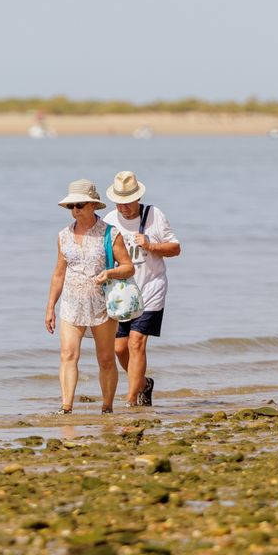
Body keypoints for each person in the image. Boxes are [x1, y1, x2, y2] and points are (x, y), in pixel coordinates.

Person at [45, 179, 134, 414]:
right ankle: (66, 408)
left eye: (80, 205)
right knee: (68, 355)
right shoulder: (63, 236)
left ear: (93, 205)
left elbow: (128, 267)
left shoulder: (110, 233)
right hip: (71, 304)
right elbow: (58, 274)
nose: (75, 210)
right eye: (71, 206)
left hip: (101, 305)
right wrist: (50, 307)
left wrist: (110, 273)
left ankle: (107, 407)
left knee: (105, 359)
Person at [103, 171, 181, 407]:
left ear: (138, 198)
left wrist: (151, 245)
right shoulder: (109, 220)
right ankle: (143, 384)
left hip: (151, 287)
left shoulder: (154, 215)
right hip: (122, 294)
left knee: (136, 342)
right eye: (119, 202)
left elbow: (175, 248)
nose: (124, 207)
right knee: (119, 349)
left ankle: (131, 401)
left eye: (128, 202)